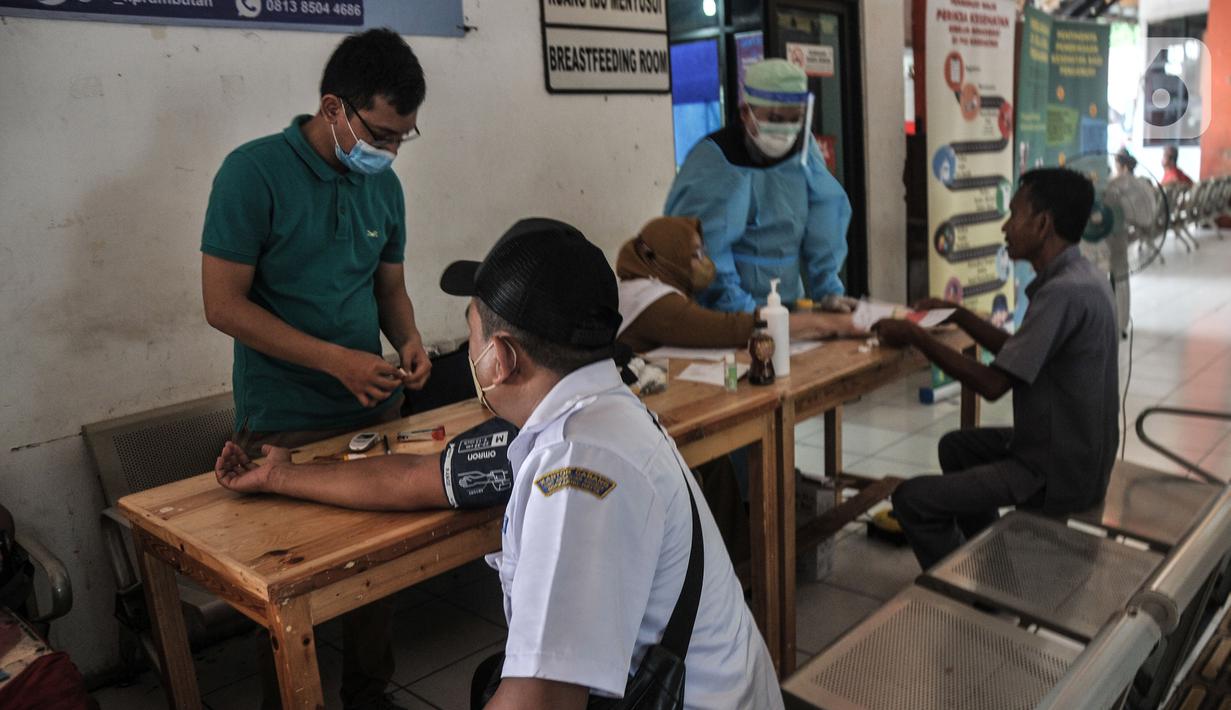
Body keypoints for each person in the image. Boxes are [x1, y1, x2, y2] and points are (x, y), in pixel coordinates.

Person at [439, 218, 783, 709]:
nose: (468, 353)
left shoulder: (580, 467)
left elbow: (542, 702)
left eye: (471, 335)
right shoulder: (603, 409)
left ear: (503, 356)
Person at [200, 28, 432, 710]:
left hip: (369, 413)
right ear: (334, 107)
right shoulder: (252, 173)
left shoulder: (383, 189)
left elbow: (388, 288)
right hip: (282, 423)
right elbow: (222, 305)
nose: (389, 152)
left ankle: (369, 695)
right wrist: (335, 361)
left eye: (402, 138)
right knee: (284, 587)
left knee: (376, 575)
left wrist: (410, 340)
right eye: (382, 133)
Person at [875, 168, 1118, 570]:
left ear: (1043, 224)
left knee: (911, 500)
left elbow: (992, 384)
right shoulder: (1082, 276)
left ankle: (976, 589)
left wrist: (917, 337)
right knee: (956, 447)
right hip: (1077, 452)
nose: (1006, 227)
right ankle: (995, 562)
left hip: (1056, 470)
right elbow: (1018, 354)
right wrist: (958, 314)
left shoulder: (1062, 293)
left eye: (1014, 214)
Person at [664, 59, 855, 314]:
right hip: (724, 312)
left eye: (794, 119)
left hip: (788, 302)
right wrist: (741, 311)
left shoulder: (803, 152)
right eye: (775, 118)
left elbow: (825, 219)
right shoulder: (717, 159)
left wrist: (828, 288)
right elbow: (703, 245)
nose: (785, 130)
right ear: (745, 112)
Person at [616, 216, 862, 352]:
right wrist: (831, 322)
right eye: (694, 255)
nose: (705, 262)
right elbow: (730, 328)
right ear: (669, 258)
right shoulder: (653, 302)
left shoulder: (640, 288)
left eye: (703, 252)